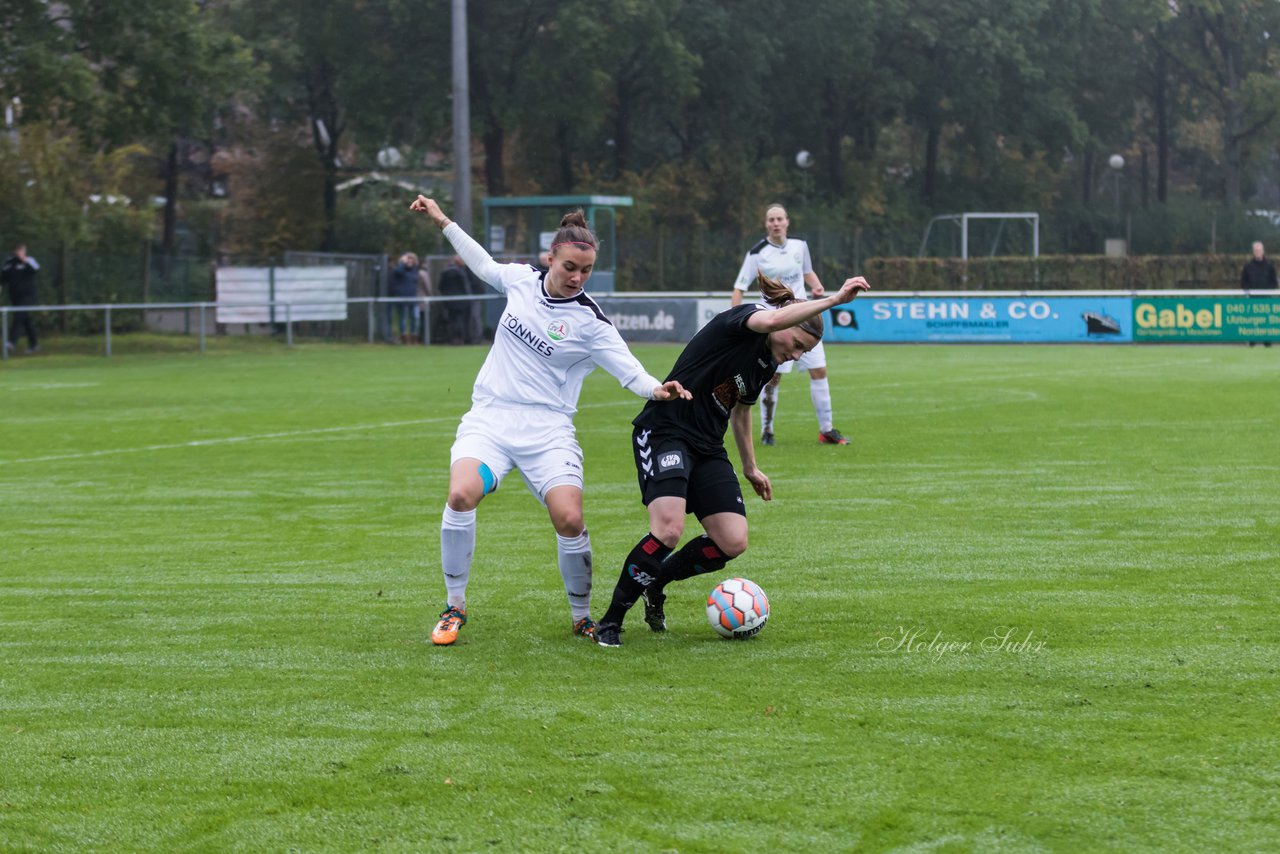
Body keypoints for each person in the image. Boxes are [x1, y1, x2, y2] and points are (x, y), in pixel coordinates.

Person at [408, 195, 691, 646]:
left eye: (585, 271)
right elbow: (482, 263)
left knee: (569, 519)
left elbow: (630, 371)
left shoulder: (591, 322)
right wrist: (443, 220)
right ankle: (454, 606)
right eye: (569, 268)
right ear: (550, 259)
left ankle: (582, 616)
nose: (577, 278)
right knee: (462, 494)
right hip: (492, 421)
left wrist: (658, 387)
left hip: (548, 432)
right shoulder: (522, 280)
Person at [595, 271, 870, 647]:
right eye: (797, 344)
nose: (796, 355)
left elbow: (741, 411)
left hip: (707, 447)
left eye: (804, 352)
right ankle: (610, 622)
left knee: (732, 541)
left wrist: (750, 467)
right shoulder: (744, 321)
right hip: (665, 431)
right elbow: (772, 320)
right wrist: (835, 300)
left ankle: (656, 581)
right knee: (669, 529)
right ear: (786, 319)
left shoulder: (767, 363)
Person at [731, 203, 850, 446]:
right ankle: (767, 430)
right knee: (771, 378)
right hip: (777, 326)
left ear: (787, 221)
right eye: (771, 219)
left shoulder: (800, 246)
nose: (776, 223)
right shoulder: (757, 253)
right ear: (766, 224)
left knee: (819, 371)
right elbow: (739, 287)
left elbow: (807, 272)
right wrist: (736, 321)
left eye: (779, 219)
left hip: (805, 320)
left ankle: (826, 430)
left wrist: (817, 286)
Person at [1, 243, 41, 356]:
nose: (20, 253)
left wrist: (24, 260)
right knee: (26, 320)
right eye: (18, 250)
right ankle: (34, 345)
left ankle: (11, 342)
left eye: (22, 251)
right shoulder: (8, 263)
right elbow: (2, 280)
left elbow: (35, 269)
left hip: (28, 297)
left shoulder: (30, 260)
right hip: (15, 297)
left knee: (18, 317)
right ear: (14, 251)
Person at [1241, 241, 1277, 348]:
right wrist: (1249, 290)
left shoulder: (1270, 266)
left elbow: (1274, 282)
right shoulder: (1247, 266)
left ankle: (1268, 344)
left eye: (1259, 250)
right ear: (1253, 252)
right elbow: (1244, 282)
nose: (1258, 252)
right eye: (1256, 251)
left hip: (1266, 300)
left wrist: (1267, 291)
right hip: (1253, 300)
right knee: (1252, 322)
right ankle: (1252, 343)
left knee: (1267, 322)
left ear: (1263, 251)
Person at [436, 254, 474, 345]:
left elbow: (440, 287)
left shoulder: (445, 273)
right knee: (461, 320)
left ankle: (453, 338)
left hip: (450, 301)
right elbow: (466, 287)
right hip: (462, 302)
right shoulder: (461, 273)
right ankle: (461, 338)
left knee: (452, 320)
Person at [388, 252, 421, 344]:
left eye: (411, 259)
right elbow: (398, 271)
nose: (410, 261)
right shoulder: (399, 270)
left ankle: (414, 337)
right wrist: (402, 263)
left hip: (413, 299)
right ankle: (404, 338)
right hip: (402, 299)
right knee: (403, 318)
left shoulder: (415, 270)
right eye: (408, 259)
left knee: (415, 317)